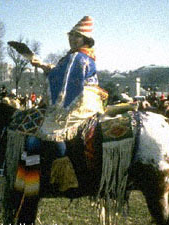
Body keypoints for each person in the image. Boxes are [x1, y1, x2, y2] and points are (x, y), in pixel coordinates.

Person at [26, 16, 107, 192]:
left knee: (51, 131)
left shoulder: (78, 57)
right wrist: (42, 65)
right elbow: (59, 73)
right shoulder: (78, 56)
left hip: (78, 103)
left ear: (85, 40)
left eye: (76, 36)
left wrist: (58, 102)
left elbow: (67, 82)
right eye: (70, 35)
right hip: (88, 101)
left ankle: (61, 174)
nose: (72, 39)